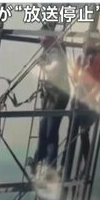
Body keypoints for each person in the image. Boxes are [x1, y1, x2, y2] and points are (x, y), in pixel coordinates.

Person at [29, 25, 71, 177]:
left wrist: (43, 66)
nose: (39, 39)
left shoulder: (54, 49)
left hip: (57, 95)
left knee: (50, 132)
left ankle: (50, 167)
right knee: (44, 130)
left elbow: (55, 68)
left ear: (47, 36)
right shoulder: (51, 49)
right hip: (52, 95)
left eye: (41, 36)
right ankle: (38, 160)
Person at [69, 33, 100, 176]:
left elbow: (98, 84)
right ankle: (69, 165)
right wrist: (75, 70)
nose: (84, 45)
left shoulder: (97, 59)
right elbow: (75, 78)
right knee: (75, 133)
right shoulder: (82, 58)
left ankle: (86, 165)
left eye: (87, 42)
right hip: (80, 97)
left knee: (82, 134)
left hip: (85, 99)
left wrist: (88, 98)